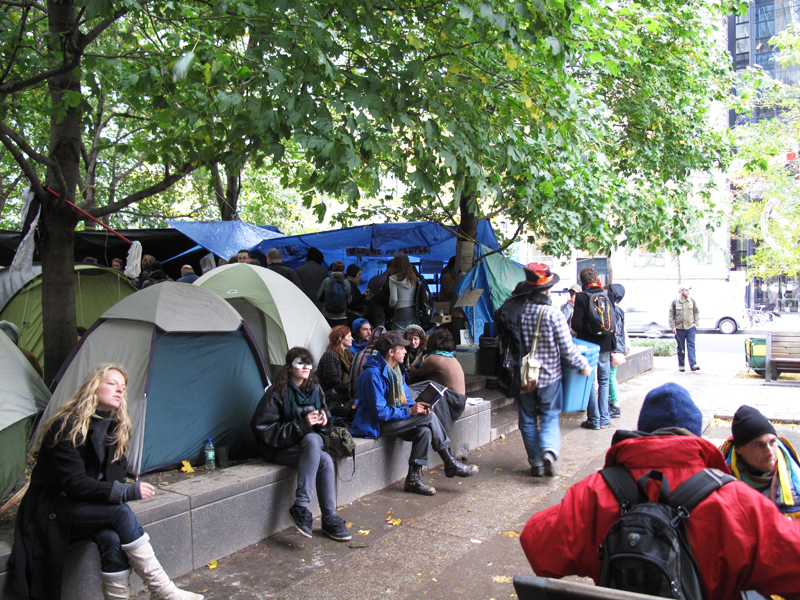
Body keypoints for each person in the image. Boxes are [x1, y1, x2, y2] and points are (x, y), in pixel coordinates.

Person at [520, 382, 800, 600]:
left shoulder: (594, 492)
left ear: (643, 432)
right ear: (695, 434)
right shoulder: (736, 503)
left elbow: (537, 547)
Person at [10, 364, 202, 600]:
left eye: (123, 387)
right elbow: (75, 483)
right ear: (93, 387)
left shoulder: (114, 427)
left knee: (112, 539)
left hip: (85, 507)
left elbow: (112, 479)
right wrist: (126, 492)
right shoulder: (67, 424)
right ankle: (163, 590)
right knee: (120, 513)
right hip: (52, 511)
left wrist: (118, 491)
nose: (120, 390)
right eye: (112, 384)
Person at [350, 331, 478, 495]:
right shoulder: (371, 375)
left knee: (424, 430)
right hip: (374, 425)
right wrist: (409, 411)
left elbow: (406, 399)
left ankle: (413, 479)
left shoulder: (396, 370)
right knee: (429, 418)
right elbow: (379, 412)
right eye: (402, 348)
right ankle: (449, 460)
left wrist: (419, 406)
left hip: (393, 419)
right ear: (391, 352)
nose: (406, 351)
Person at [495, 263, 591, 477]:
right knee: (549, 416)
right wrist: (583, 365)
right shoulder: (553, 314)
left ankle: (535, 463)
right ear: (547, 290)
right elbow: (567, 349)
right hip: (550, 378)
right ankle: (548, 450)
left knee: (527, 419)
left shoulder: (517, 311)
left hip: (522, 377)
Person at [250, 348, 351, 542]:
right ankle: (302, 506)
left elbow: (327, 422)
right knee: (313, 441)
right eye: (300, 363)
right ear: (289, 367)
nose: (306, 367)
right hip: (278, 448)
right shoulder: (276, 393)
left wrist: (324, 422)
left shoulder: (315, 389)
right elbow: (263, 429)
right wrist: (302, 425)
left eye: (309, 363)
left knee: (325, 459)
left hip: (305, 447)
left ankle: (328, 517)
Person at [721, 405, 800, 519]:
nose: (770, 453)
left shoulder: (795, 484)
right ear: (739, 449)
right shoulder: (722, 476)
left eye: (772, 442)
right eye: (759, 445)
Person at [571, 267, 615, 430]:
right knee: (604, 380)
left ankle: (594, 419)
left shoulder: (582, 297)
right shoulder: (608, 294)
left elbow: (576, 324)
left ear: (582, 281)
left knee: (589, 381)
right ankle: (605, 418)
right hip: (606, 343)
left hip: (588, 345)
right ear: (597, 279)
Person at [316, 326, 355, 418]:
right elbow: (332, 381)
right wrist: (352, 386)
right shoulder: (331, 355)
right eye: (349, 336)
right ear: (340, 338)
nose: (352, 338)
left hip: (340, 389)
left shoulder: (347, 354)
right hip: (329, 393)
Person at [669, 285, 700, 372]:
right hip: (679, 328)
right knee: (681, 347)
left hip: (690, 327)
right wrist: (673, 326)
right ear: (681, 291)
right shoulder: (675, 302)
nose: (688, 292)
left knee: (691, 345)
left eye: (688, 290)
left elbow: (696, 311)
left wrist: (696, 323)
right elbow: (671, 315)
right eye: (686, 290)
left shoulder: (691, 301)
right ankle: (681, 365)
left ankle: (693, 364)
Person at [608, 283, 627, 419]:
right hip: (617, 346)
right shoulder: (619, 310)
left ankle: (615, 405)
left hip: (613, 347)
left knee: (610, 376)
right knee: (610, 376)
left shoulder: (613, 309)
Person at [388, 253, 418, 331]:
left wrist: (390, 305)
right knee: (411, 335)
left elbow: (394, 299)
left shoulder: (393, 278)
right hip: (413, 311)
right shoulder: (413, 278)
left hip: (400, 311)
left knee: (398, 337)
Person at [318, 261, 353, 328]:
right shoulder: (346, 282)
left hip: (327, 315)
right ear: (343, 270)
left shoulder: (327, 280)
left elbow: (319, 297)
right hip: (342, 316)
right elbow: (349, 300)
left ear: (332, 269)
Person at [363, 261, 392, 328]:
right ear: (389, 268)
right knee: (379, 331)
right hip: (380, 310)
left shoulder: (374, 278)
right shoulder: (387, 280)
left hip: (369, 309)